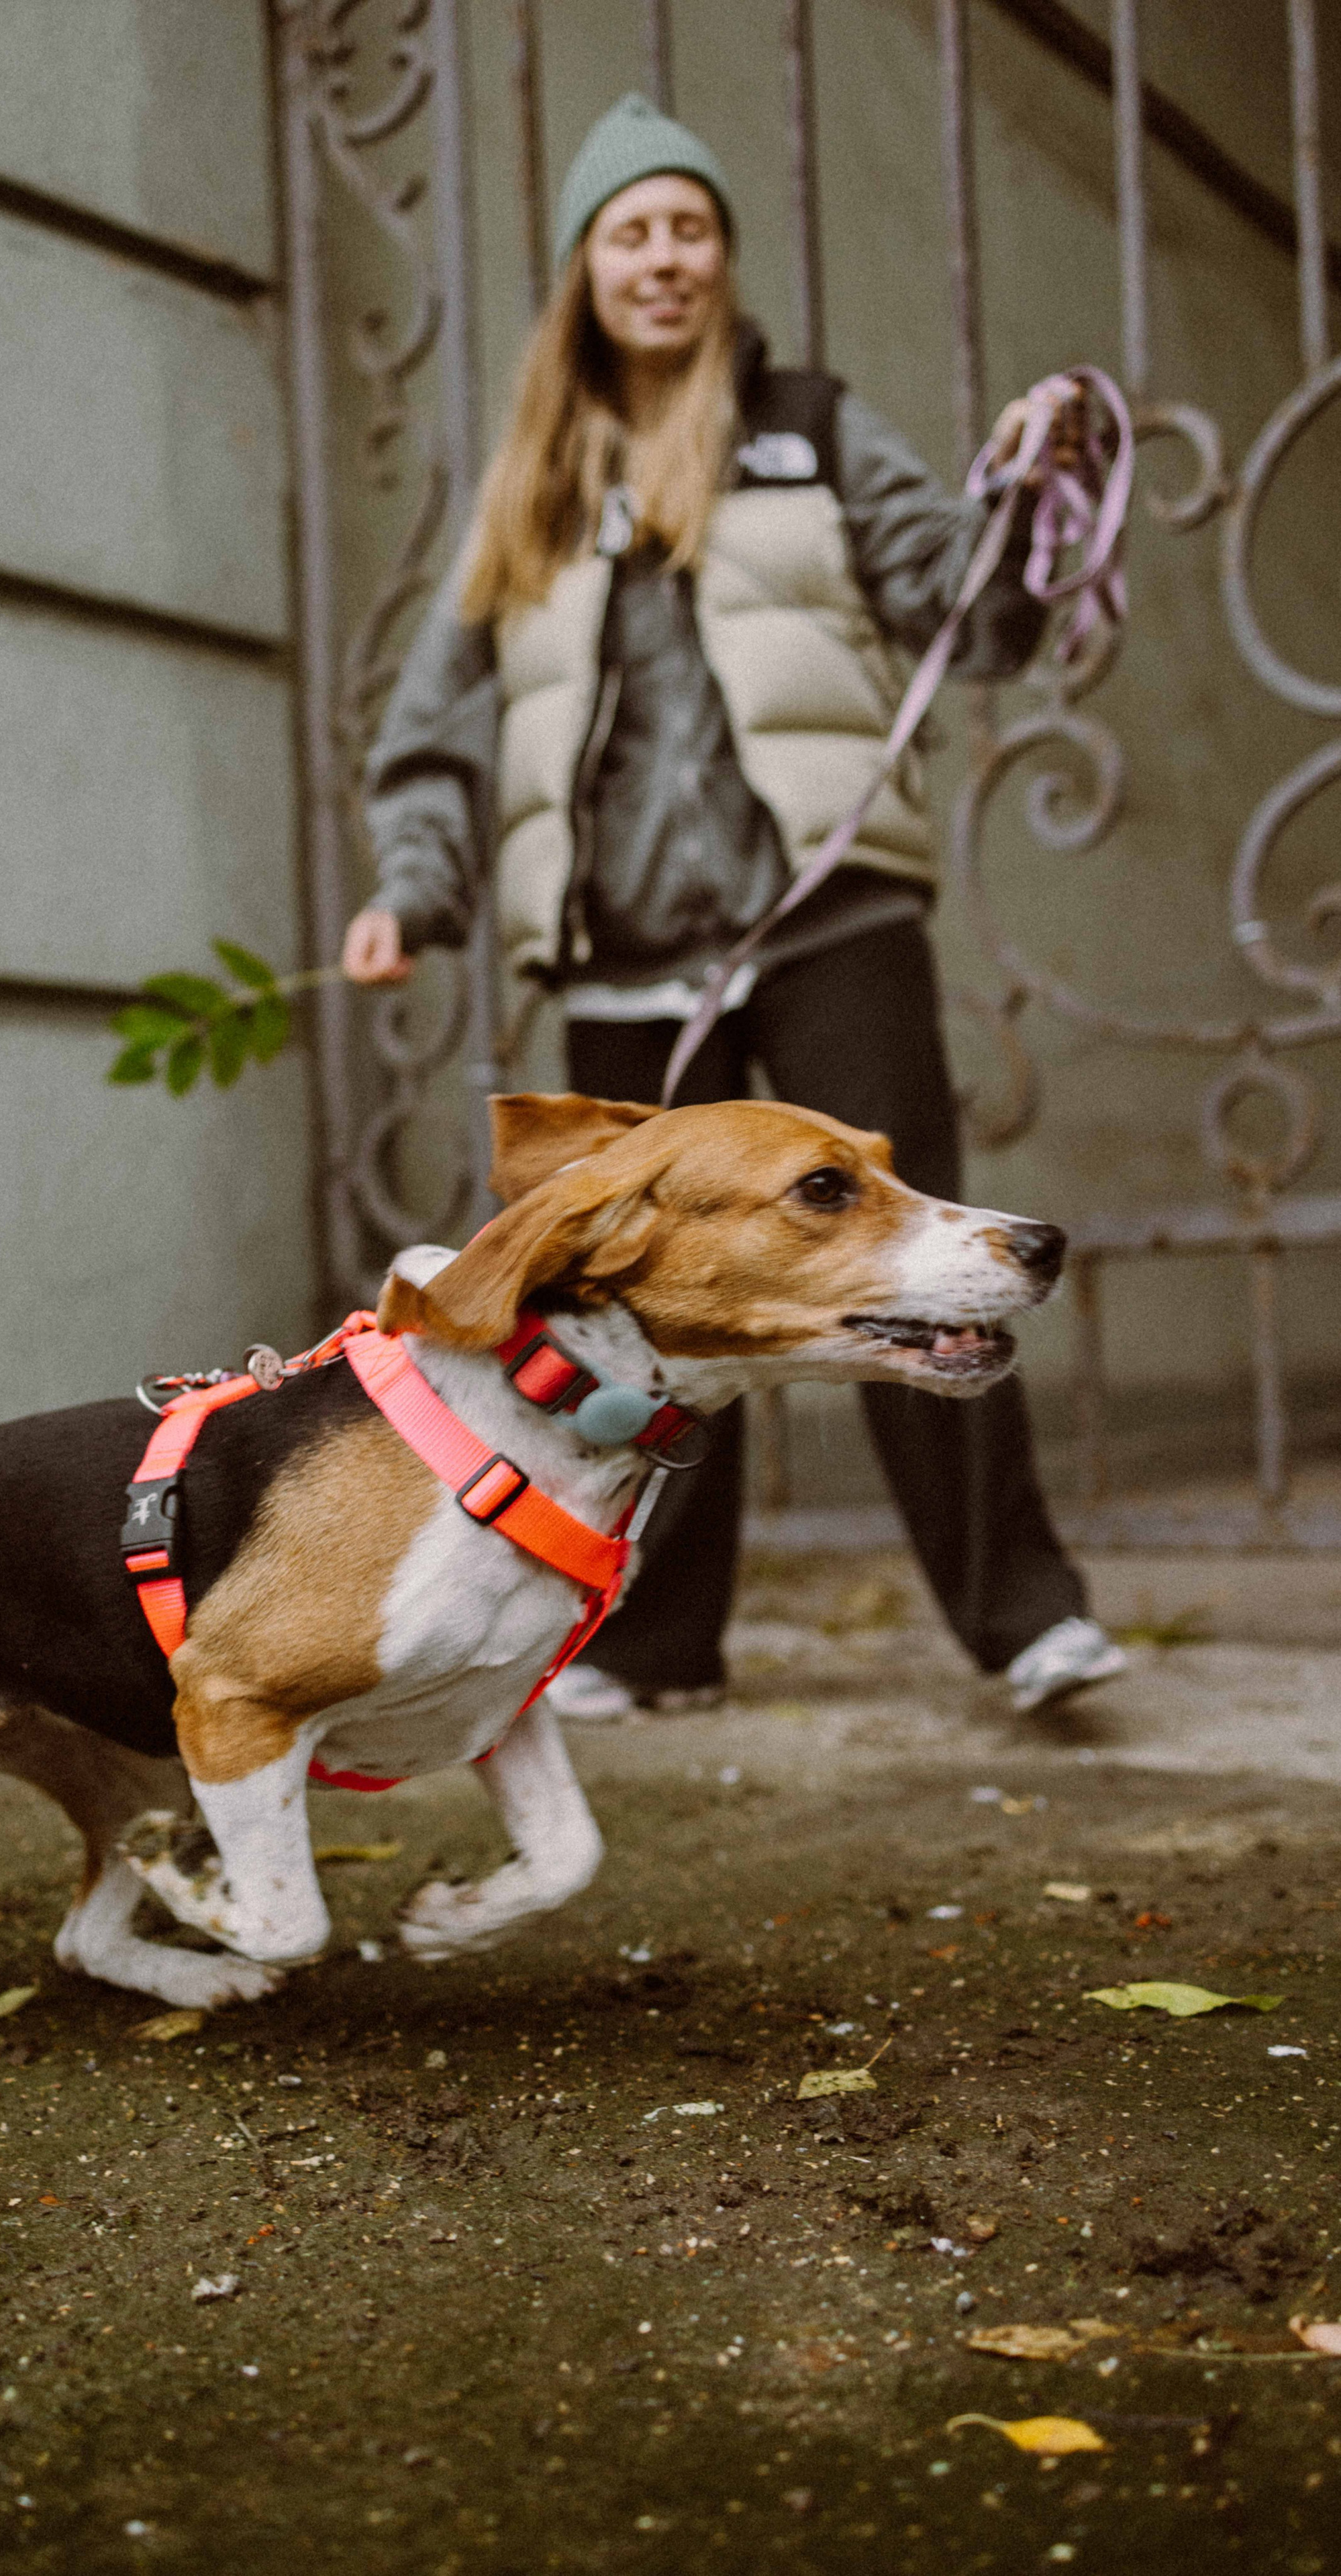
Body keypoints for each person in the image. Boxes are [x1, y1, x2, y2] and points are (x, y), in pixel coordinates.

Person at [344, 93, 1122, 1721]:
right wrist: (413, 892)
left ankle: (1022, 1614)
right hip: (627, 947)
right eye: (630, 230)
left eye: (688, 226)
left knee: (913, 1263)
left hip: (824, 910)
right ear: (585, 269)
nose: (663, 256)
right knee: (644, 1309)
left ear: (719, 258)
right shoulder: (529, 488)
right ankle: (643, 1638)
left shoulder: (813, 425)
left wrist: (1025, 533)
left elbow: (960, 615)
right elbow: (437, 728)